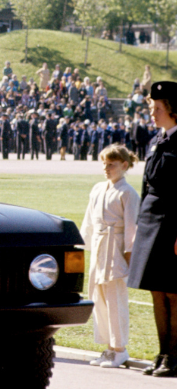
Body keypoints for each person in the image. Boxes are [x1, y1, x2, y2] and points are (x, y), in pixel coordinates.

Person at [130, 81, 177, 377]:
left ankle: (175, 357)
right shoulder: (156, 140)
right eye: (151, 107)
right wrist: (138, 225)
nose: (153, 113)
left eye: (158, 108)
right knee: (156, 293)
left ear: (173, 110)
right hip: (150, 220)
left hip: (172, 222)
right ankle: (162, 355)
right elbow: (146, 185)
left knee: (174, 293)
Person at [81, 144, 139, 369]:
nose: (106, 168)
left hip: (115, 249)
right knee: (99, 298)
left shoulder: (128, 193)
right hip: (98, 247)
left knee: (116, 299)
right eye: (104, 164)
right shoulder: (97, 189)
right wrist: (85, 245)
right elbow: (89, 220)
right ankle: (108, 347)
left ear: (124, 166)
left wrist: (128, 256)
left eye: (112, 164)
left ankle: (120, 349)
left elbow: (132, 227)